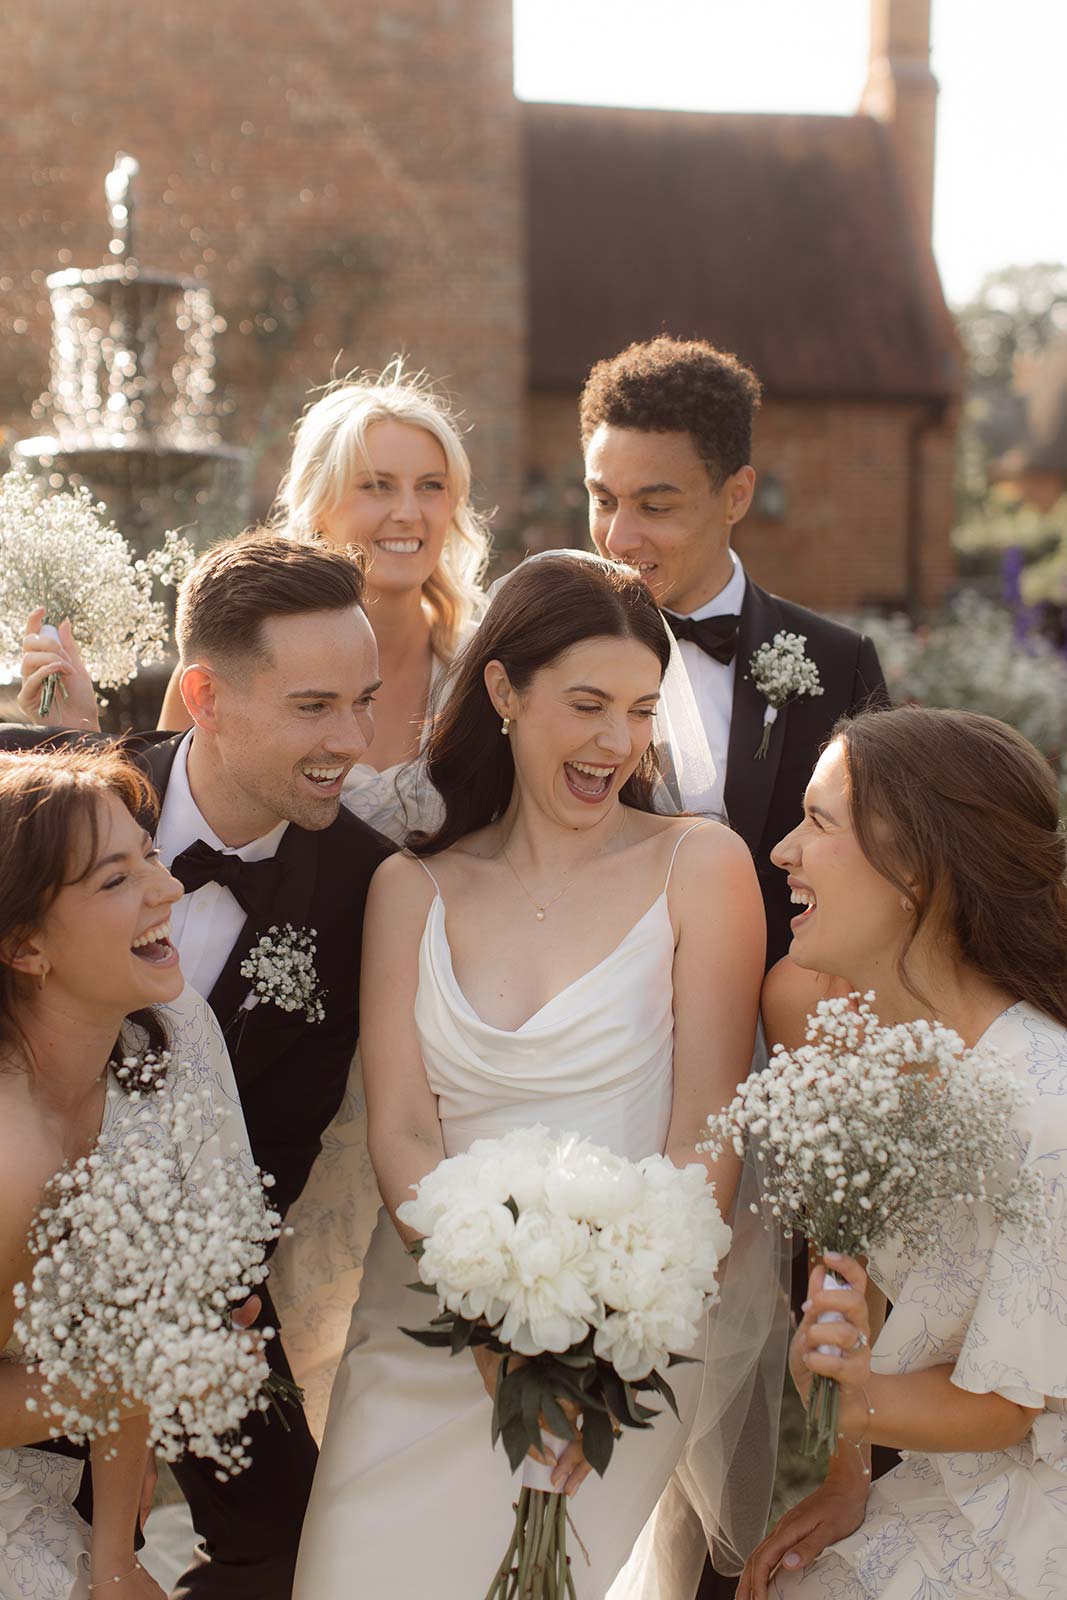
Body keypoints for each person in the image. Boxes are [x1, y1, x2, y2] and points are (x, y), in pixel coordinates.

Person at [293, 553, 776, 1599]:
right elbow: (404, 1133)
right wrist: (489, 1328)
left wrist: (610, 1336)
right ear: (504, 692)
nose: (616, 742)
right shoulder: (409, 889)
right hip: (424, 1322)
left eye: (641, 710)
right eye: (587, 705)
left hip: (623, 1344)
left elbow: (707, 1125)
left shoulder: (700, 867)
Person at [5, 532, 394, 1600]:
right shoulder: (44, 789)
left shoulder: (366, 885)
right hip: (24, 1277)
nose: (353, 741)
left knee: (293, 1545)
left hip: (194, 1282)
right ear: (206, 696)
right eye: (314, 706)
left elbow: (281, 1138)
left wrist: (189, 1303)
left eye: (364, 702)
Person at [738, 706, 1067, 1600]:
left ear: (914, 871)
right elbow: (857, 1264)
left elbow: (1004, 1407)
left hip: (1027, 1520)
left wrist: (850, 1400)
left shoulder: (1042, 1110)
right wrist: (844, 1474)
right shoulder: (854, 1041)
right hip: (941, 1483)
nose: (782, 851)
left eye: (818, 822)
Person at [0, 744, 260, 1600]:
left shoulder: (175, 1029)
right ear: (25, 947)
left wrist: (117, 1555)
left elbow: (142, 1312)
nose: (167, 889)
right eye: (116, 879)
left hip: (59, 1470)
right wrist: (151, 1368)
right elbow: (133, 1355)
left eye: (150, 855)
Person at [580, 334, 886, 970]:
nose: (618, 537)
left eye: (655, 506)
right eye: (603, 500)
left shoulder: (838, 663)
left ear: (737, 496)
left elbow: (875, 869)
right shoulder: (548, 651)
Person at [159, 359, 490, 843]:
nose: (408, 512)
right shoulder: (232, 660)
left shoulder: (484, 669)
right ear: (318, 503)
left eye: (431, 486)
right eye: (376, 485)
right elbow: (169, 823)